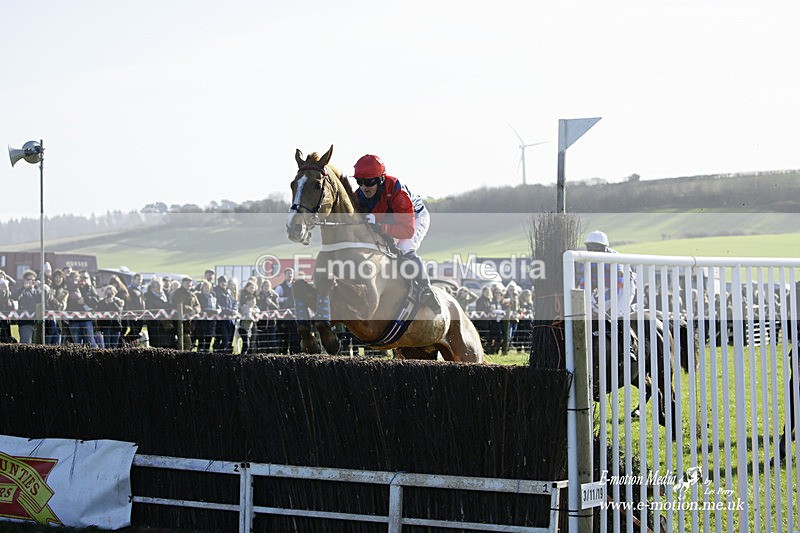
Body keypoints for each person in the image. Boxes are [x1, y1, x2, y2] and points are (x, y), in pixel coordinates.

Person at [352, 154, 440, 313]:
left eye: (369, 182)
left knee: (404, 248)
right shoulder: (359, 195)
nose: (364, 187)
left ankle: (426, 289)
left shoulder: (398, 192)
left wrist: (380, 226)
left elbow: (407, 230)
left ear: (380, 180)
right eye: (360, 182)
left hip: (415, 218)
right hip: (389, 220)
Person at [578, 230, 637, 318]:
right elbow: (584, 283)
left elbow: (617, 287)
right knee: (593, 310)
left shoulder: (615, 259)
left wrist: (599, 299)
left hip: (624, 287)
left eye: (596, 248)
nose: (592, 251)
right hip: (607, 286)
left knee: (616, 314)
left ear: (604, 248)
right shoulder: (587, 259)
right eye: (589, 247)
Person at [10, 270, 42, 344]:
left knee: (37, 346)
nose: (31, 281)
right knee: (25, 345)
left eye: (33, 280)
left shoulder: (38, 291)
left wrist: (42, 287)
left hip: (37, 324)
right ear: (24, 280)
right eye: (29, 279)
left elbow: (47, 299)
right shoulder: (21, 291)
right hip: (25, 323)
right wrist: (23, 288)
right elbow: (13, 297)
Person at [171, 277, 201, 350]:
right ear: (182, 283)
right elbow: (175, 304)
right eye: (187, 283)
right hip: (181, 322)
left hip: (191, 322)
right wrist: (188, 309)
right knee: (185, 342)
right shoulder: (178, 293)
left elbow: (198, 305)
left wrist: (195, 310)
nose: (189, 284)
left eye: (190, 283)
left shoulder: (192, 294)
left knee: (190, 342)